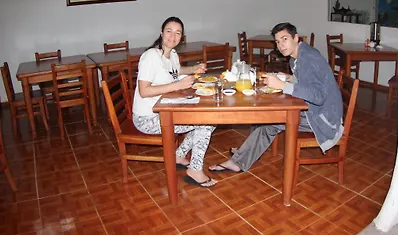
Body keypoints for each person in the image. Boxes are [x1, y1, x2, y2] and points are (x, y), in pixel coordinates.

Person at [209, 22, 344, 173]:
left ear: (296, 38)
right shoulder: (297, 56)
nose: (281, 45)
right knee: (261, 114)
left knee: (269, 122)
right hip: (315, 109)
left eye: (284, 39)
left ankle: (238, 163)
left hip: (324, 118)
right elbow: (309, 82)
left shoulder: (308, 58)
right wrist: (290, 78)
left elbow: (318, 96)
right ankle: (246, 151)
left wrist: (282, 85)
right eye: (277, 42)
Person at [132, 16, 217, 188]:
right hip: (147, 118)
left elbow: (175, 71)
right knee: (206, 122)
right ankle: (195, 170)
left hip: (165, 109)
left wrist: (193, 69)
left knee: (208, 119)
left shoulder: (172, 55)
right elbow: (144, 91)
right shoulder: (151, 56)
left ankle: (179, 155)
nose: (173, 36)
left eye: (178, 33)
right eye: (169, 31)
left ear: (182, 37)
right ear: (161, 33)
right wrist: (177, 85)